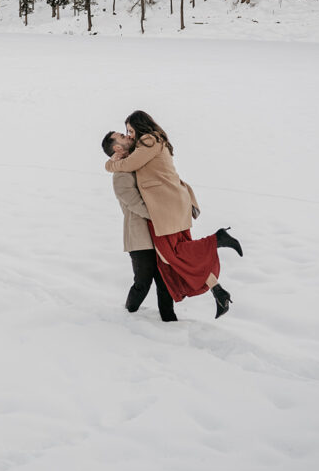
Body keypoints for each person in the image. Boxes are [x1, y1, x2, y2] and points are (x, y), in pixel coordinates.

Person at [103, 110, 242, 319]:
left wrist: (109, 164)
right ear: (117, 147)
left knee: (173, 257)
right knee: (172, 264)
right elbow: (131, 198)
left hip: (165, 212)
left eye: (129, 131)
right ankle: (216, 290)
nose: (129, 135)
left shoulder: (147, 143)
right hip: (162, 215)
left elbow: (133, 170)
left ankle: (217, 239)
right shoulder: (136, 158)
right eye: (125, 134)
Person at [102, 131, 177, 323]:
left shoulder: (135, 163)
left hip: (156, 231)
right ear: (117, 148)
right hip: (139, 236)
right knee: (143, 282)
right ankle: (128, 316)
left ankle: (169, 320)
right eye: (121, 136)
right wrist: (159, 216)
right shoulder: (121, 173)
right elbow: (133, 203)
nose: (127, 136)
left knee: (164, 279)